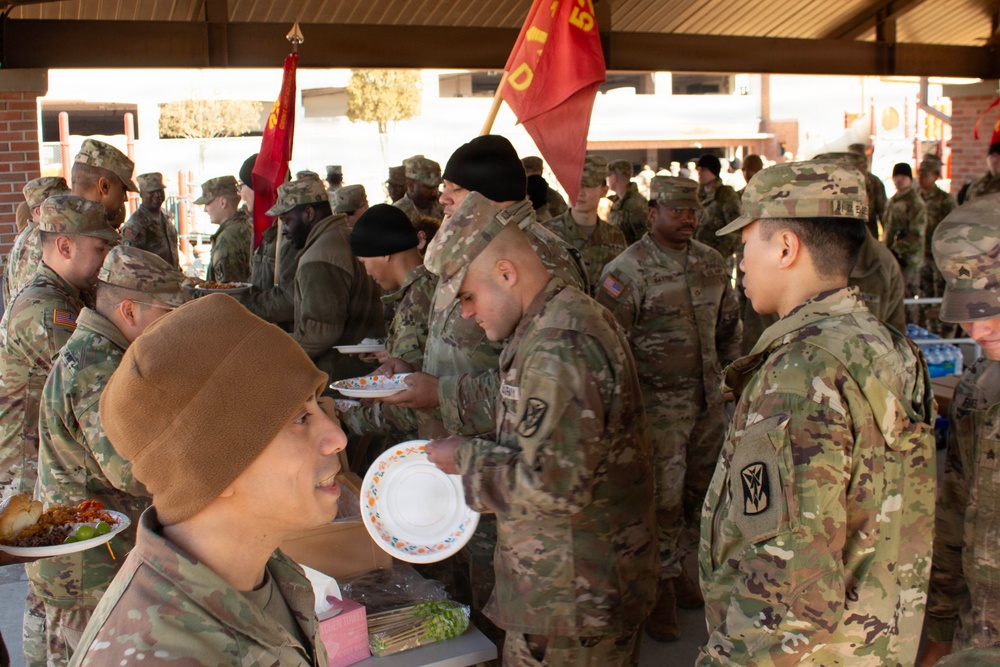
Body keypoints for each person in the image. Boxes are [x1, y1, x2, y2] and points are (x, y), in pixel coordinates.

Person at [699, 161, 935, 665]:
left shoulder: (799, 375)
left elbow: (784, 595)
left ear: (785, 248)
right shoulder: (885, 345)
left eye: (746, 244)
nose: (739, 261)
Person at [424, 191, 658, 667]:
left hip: (573, 609)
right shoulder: (549, 325)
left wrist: (464, 458)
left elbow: (553, 486)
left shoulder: (560, 343)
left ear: (506, 274)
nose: (466, 313)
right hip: (568, 595)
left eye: (467, 296)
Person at [69, 294, 346, 666]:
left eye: (317, 405)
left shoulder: (270, 575)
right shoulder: (151, 656)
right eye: (299, 418)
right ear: (214, 468)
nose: (337, 438)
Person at [24, 246, 188, 667]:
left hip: (92, 553)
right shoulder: (98, 365)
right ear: (129, 310)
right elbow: (131, 470)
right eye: (168, 315)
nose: (176, 329)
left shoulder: (105, 352)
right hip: (88, 566)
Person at [597, 176, 742, 642]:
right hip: (656, 410)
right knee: (661, 500)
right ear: (652, 210)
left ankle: (680, 566)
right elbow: (609, 348)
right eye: (677, 211)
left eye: (693, 211)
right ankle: (655, 586)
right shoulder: (627, 271)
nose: (687, 219)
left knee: (703, 494)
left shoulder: (712, 263)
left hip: (706, 403)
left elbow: (729, 328)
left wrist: (727, 383)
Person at [919, 196, 1000, 666]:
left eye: (991, 308)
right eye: (968, 309)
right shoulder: (977, 385)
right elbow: (954, 511)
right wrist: (942, 631)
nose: (976, 328)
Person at [0, 196, 117, 500]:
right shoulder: (43, 309)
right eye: (100, 249)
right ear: (65, 247)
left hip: (50, 468)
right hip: (28, 481)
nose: (107, 258)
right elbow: (90, 386)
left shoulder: (70, 295)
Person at [266, 175, 384, 383]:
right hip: (360, 371)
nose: (283, 230)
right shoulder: (344, 236)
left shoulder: (320, 256)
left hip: (337, 377)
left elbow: (319, 334)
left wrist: (272, 357)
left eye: (287, 221)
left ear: (308, 214)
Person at [339, 204, 435, 441]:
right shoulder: (430, 285)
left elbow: (409, 403)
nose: (367, 272)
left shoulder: (416, 300)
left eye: (364, 262)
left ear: (384, 253)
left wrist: (347, 418)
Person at [545, 155, 627, 292]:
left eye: (588, 185)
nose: (579, 192)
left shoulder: (615, 236)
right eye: (575, 185)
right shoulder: (547, 234)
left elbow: (621, 284)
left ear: (604, 191)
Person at [242, 154, 300, 331]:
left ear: (260, 188)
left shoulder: (289, 235)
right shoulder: (264, 231)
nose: (240, 193)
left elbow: (290, 299)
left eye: (242, 185)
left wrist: (245, 306)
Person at [4, 177, 69, 308]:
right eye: (59, 203)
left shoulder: (25, 237)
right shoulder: (40, 239)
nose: (67, 206)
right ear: (39, 211)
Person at [193, 175, 251, 283]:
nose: (205, 209)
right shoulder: (246, 226)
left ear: (223, 203)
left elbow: (227, 291)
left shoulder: (227, 238)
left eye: (207, 203)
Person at [885, 161, 929, 303]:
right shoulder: (892, 201)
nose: (900, 179)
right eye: (897, 176)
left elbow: (917, 234)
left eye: (904, 176)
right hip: (892, 258)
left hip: (908, 261)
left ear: (910, 179)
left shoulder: (915, 203)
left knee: (907, 300)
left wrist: (896, 250)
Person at [70, 139, 137, 229]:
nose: (125, 198)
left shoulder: (61, 223)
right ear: (104, 186)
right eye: (123, 189)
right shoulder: (87, 235)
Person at [693, 153, 742, 269]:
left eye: (704, 169)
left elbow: (736, 229)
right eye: (698, 169)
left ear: (713, 171)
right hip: (698, 258)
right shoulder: (698, 195)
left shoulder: (725, 195)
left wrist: (721, 253)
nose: (700, 173)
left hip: (718, 259)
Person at [121, 172, 179, 267]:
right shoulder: (135, 224)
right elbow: (130, 261)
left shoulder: (164, 219)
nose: (157, 195)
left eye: (160, 191)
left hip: (170, 279)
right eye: (151, 192)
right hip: (151, 280)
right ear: (141, 194)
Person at [848, 142, 888, 238]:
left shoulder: (874, 182)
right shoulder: (842, 181)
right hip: (848, 236)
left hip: (869, 235)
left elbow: (883, 213)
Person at [607, 159, 649, 245]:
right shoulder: (620, 201)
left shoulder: (635, 204)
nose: (607, 180)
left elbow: (644, 238)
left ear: (614, 178)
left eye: (608, 176)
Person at [393, 155, 444, 225]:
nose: (435, 192)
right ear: (411, 186)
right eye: (429, 188)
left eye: (437, 186)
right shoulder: (396, 214)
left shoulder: (445, 204)